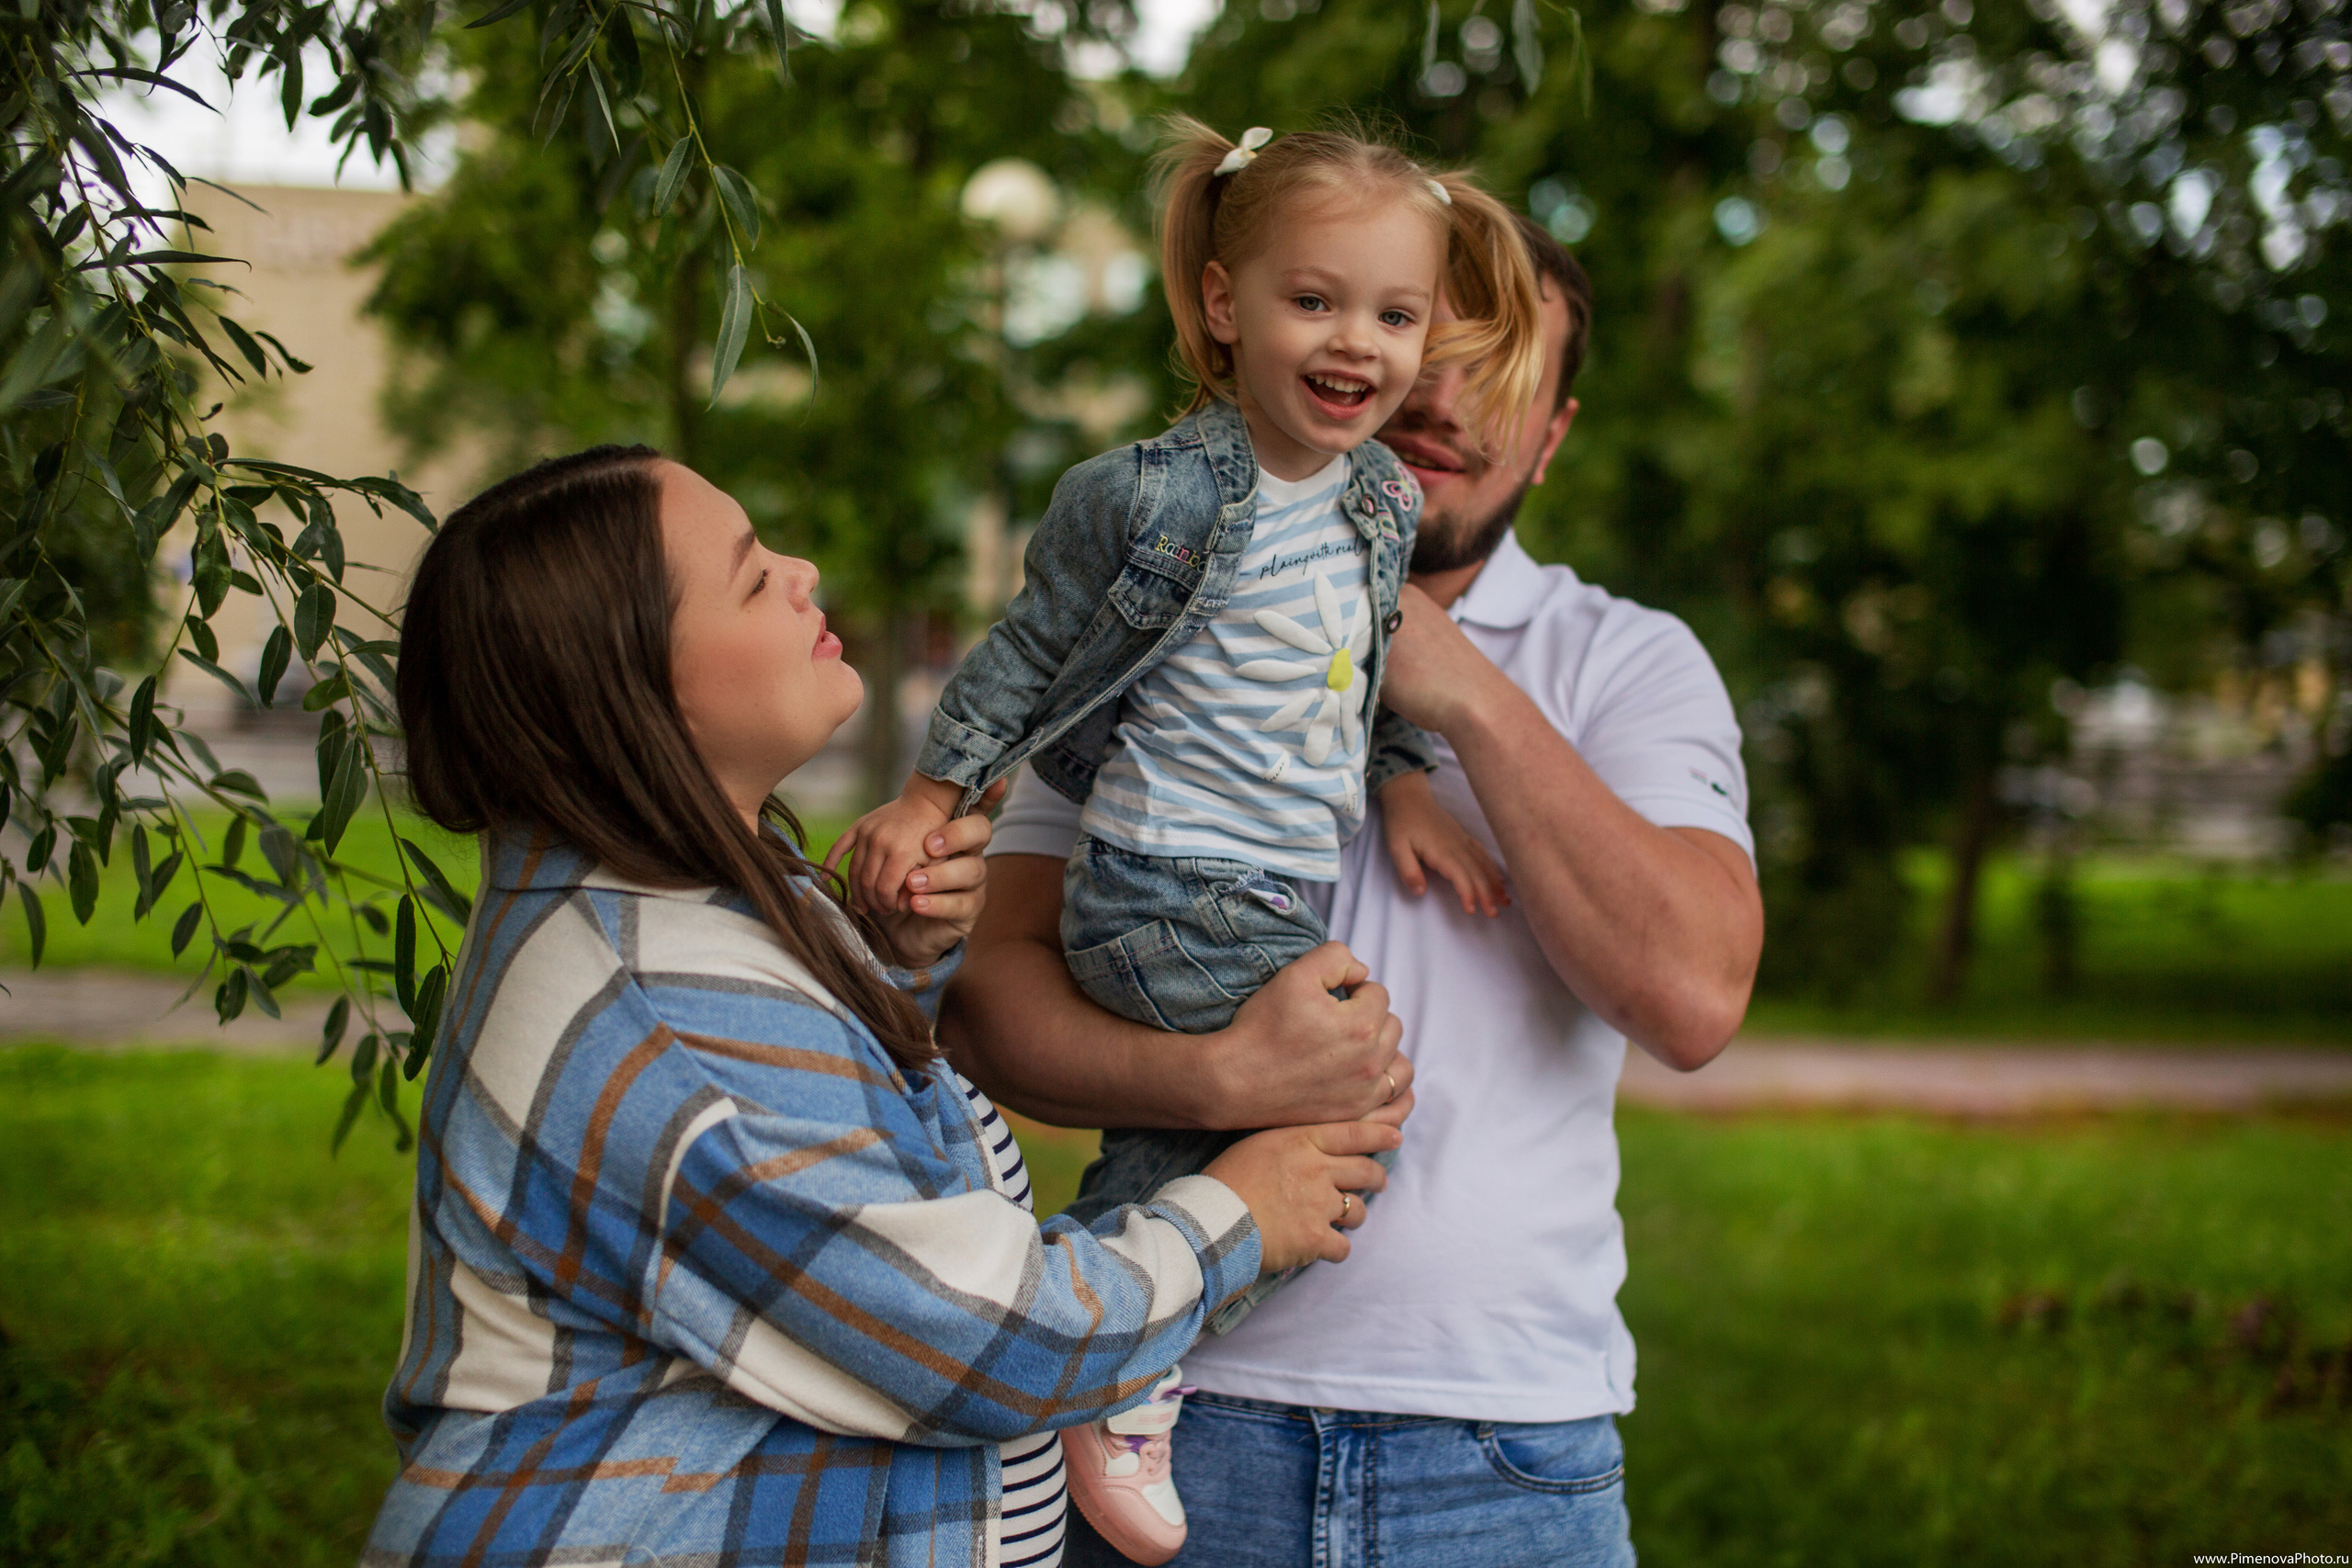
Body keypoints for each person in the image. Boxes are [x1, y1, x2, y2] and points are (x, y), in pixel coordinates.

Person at [363, 446, 1408, 1568]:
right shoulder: (669, 1013)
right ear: (631, 684)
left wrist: (886, 967)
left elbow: (829, 1173)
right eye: (752, 577)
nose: (803, 572)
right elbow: (983, 1338)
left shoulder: (664, 913)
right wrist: (1231, 1219)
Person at [943, 216, 1765, 1568]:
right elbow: (985, 999)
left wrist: (1461, 692)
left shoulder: (1626, 659)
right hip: (1166, 1413)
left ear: (1552, 434)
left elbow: (1692, 997)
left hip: (1504, 1457)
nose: (1443, 396)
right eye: (1426, 334)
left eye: (1498, 368)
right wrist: (1213, 1083)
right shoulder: (1168, 592)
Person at [829, 119, 1546, 1562]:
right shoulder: (1154, 494)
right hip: (1162, 877)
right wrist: (933, 794)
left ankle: (1081, 1335)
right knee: (1351, 1099)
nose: (1356, 342)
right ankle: (1107, 1352)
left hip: (1266, 882)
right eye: (1313, 300)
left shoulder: (1377, 502)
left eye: (1394, 314)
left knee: (1218, 1143)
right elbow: (1026, 653)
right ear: (1224, 303)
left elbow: (1351, 678)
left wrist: (1406, 783)